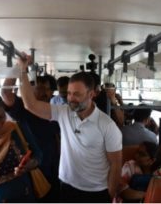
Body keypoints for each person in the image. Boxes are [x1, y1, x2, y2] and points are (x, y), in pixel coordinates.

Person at [16, 54, 122, 202]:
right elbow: (30, 104)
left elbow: (116, 164)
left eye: (77, 94)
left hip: (97, 192)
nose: (71, 99)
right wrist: (22, 70)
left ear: (91, 94)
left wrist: (110, 194)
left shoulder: (107, 126)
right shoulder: (64, 112)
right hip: (67, 187)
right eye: (69, 93)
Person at [2, 74, 61, 202]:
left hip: (54, 171)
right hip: (33, 172)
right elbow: (6, 93)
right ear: (30, 91)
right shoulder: (22, 110)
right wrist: (18, 69)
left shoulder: (55, 112)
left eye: (47, 89)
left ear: (51, 92)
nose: (44, 92)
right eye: (39, 88)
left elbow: (57, 139)